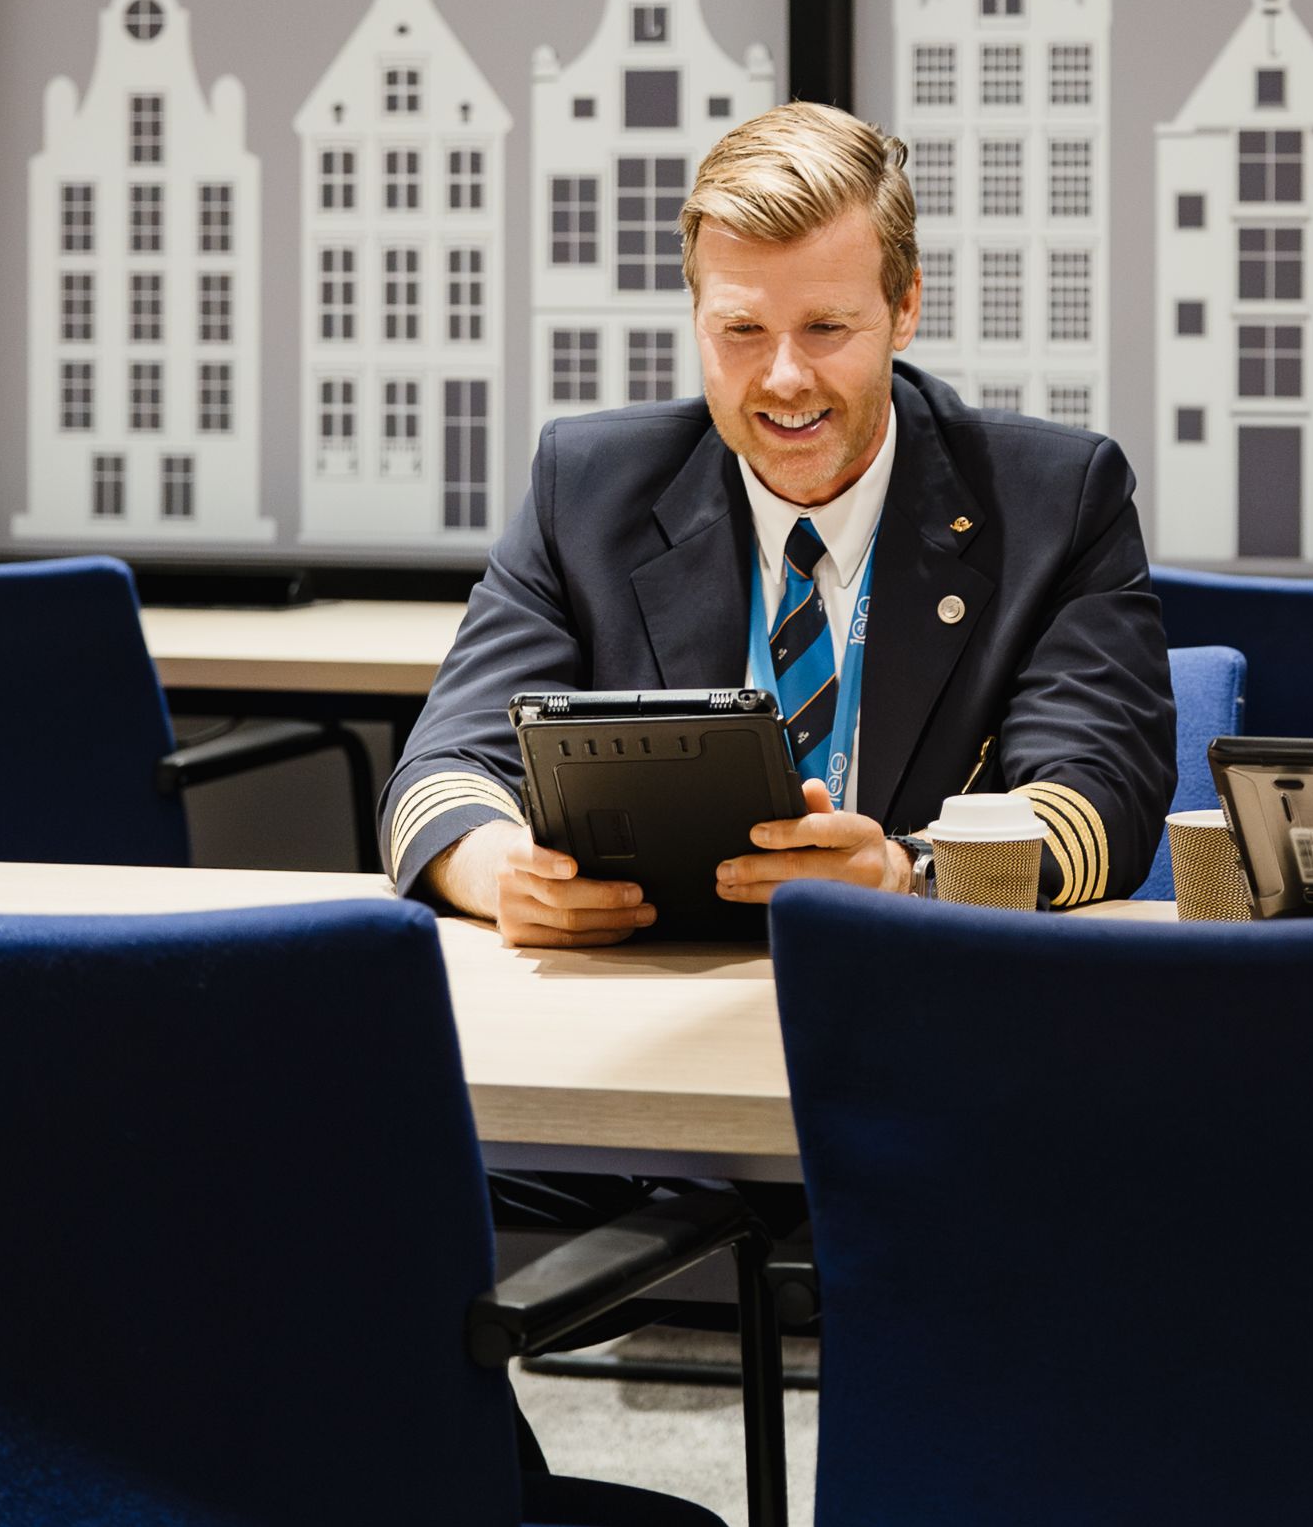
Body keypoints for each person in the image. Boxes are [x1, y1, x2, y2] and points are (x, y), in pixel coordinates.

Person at [383, 102, 1174, 937]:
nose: (784, 377)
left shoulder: (1054, 501)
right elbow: (443, 772)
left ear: (904, 308)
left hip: (927, 990)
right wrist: (500, 870)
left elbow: (1100, 795)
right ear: (696, 317)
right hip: (649, 998)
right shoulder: (583, 493)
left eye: (826, 327)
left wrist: (910, 875)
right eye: (743, 331)